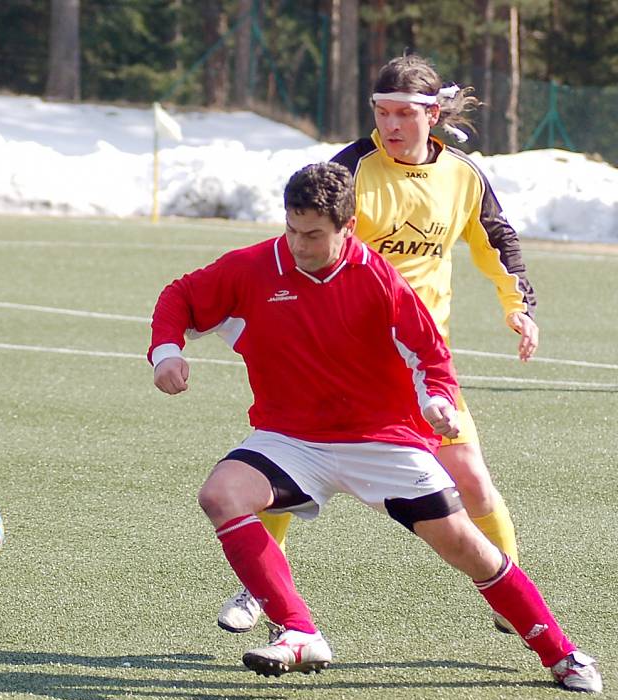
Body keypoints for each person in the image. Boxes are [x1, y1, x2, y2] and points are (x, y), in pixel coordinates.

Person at [149, 161, 601, 692]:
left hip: (381, 439)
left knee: (467, 548)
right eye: (292, 229)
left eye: (314, 234)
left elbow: (431, 356)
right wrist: (166, 352)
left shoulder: (378, 278)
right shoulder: (254, 266)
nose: (298, 244)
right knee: (221, 494)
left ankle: (561, 653)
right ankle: (298, 632)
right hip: (291, 438)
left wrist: (436, 400)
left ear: (348, 226)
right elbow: (179, 296)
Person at [219, 53, 537, 637]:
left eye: (403, 114)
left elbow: (496, 242)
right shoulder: (351, 170)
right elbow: (302, 242)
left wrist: (519, 307)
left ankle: (508, 587)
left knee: (469, 474)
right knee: (286, 461)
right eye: (381, 112)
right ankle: (259, 587)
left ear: (433, 114)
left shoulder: (463, 176)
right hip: (341, 358)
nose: (390, 125)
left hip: (420, 363)